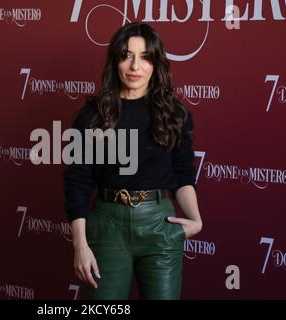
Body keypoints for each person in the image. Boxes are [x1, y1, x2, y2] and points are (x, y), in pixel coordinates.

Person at [63, 22, 203, 300]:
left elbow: (184, 175)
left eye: (145, 57)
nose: (134, 66)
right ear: (115, 61)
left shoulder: (175, 114)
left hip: (160, 225)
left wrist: (196, 220)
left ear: (156, 64)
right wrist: (80, 244)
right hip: (106, 228)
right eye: (127, 55)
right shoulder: (92, 115)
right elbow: (77, 181)